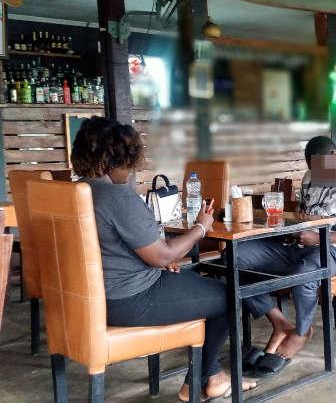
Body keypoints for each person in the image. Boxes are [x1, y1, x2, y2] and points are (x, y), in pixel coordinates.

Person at [70, 117, 255, 402]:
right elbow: (163, 254)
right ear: (116, 159)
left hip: (89, 300)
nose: (131, 171)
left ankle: (207, 377)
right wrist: (201, 226)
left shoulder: (76, 192)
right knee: (232, 296)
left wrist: (160, 257)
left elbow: (116, 250)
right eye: (129, 163)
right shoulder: (116, 197)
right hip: (130, 299)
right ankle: (208, 378)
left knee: (202, 284)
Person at [238, 136, 336, 376]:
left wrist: (319, 239)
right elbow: (303, 216)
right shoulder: (310, 176)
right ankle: (280, 324)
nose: (316, 175)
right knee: (237, 258)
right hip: (298, 244)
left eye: (320, 168)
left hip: (335, 250)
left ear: (335, 154)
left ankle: (302, 331)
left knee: (303, 275)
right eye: (312, 170)